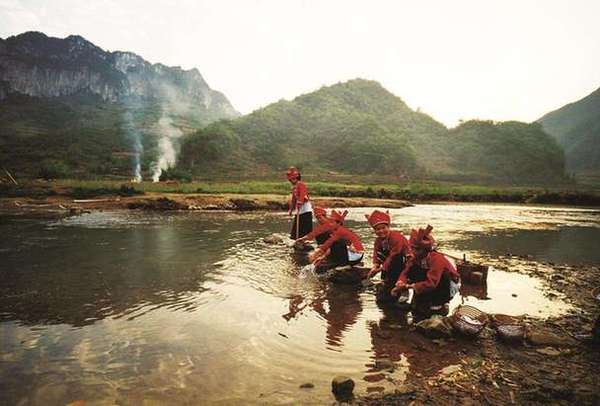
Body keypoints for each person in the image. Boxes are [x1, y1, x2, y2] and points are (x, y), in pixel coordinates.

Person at [391, 225, 461, 320]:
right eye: (412, 248)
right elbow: (405, 273)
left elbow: (432, 283)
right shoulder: (414, 258)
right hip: (428, 282)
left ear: (426, 249)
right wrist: (400, 283)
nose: (414, 252)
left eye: (418, 249)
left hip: (448, 285)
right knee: (413, 270)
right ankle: (420, 299)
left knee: (442, 278)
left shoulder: (437, 259)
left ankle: (440, 305)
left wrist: (409, 286)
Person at [365, 210, 411, 303]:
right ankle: (387, 281)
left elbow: (394, 255)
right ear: (374, 230)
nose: (381, 231)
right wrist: (375, 265)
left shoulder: (396, 237)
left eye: (383, 228)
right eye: (378, 229)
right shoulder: (378, 241)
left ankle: (404, 290)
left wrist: (381, 269)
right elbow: (376, 254)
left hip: (404, 263)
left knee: (396, 258)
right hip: (390, 264)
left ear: (388, 227)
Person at [287, 167, 312, 239]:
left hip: (305, 209)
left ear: (296, 178)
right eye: (290, 180)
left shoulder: (301, 184)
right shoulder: (294, 187)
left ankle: (304, 240)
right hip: (299, 209)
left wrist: (300, 202)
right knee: (297, 227)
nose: (291, 181)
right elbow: (294, 199)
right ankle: (297, 238)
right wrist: (291, 209)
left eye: (293, 179)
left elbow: (302, 194)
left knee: (304, 226)